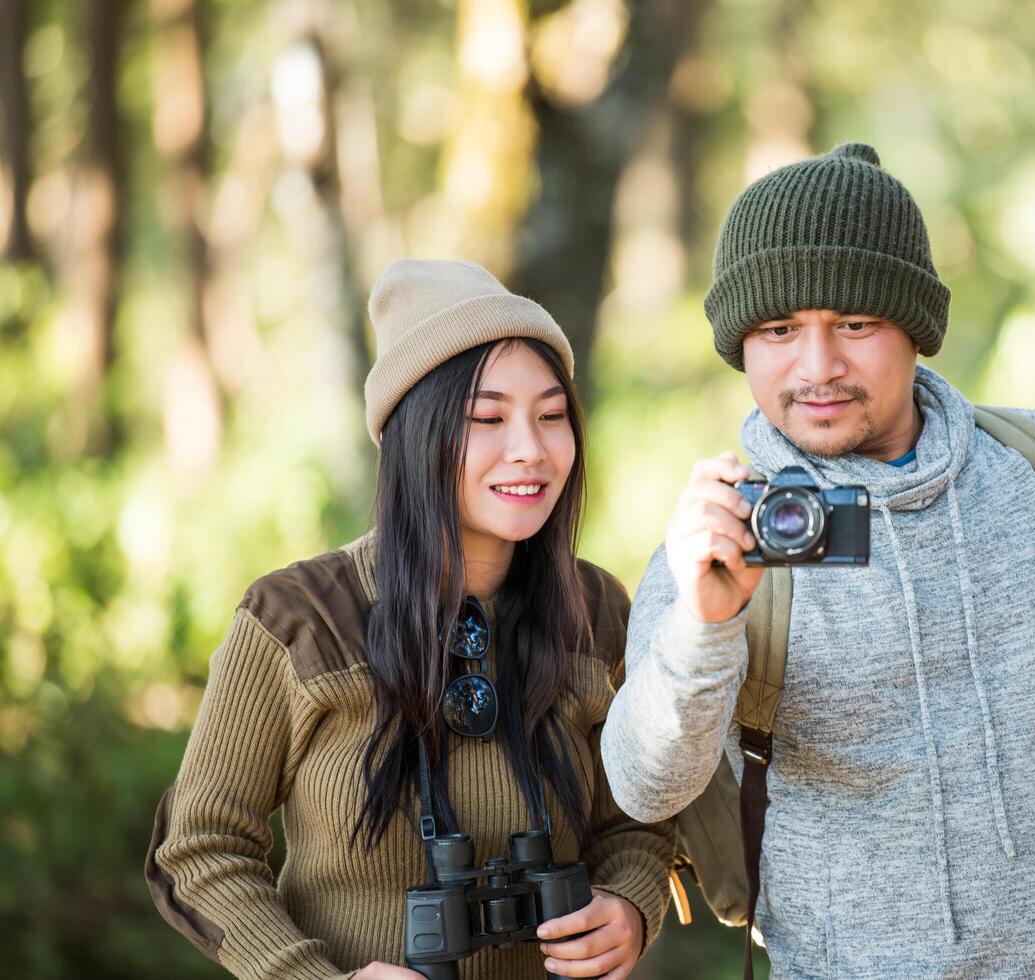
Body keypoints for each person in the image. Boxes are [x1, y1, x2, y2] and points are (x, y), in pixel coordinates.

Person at [602, 143, 1035, 979]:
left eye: (854, 323)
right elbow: (643, 787)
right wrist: (703, 628)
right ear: (741, 344)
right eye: (778, 330)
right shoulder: (722, 539)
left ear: (915, 327)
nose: (817, 367)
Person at [146, 259, 674, 980]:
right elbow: (200, 847)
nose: (531, 448)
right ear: (414, 435)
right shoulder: (298, 619)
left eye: (552, 415)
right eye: (486, 419)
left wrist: (630, 904)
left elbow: (639, 814)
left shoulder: (598, 611)